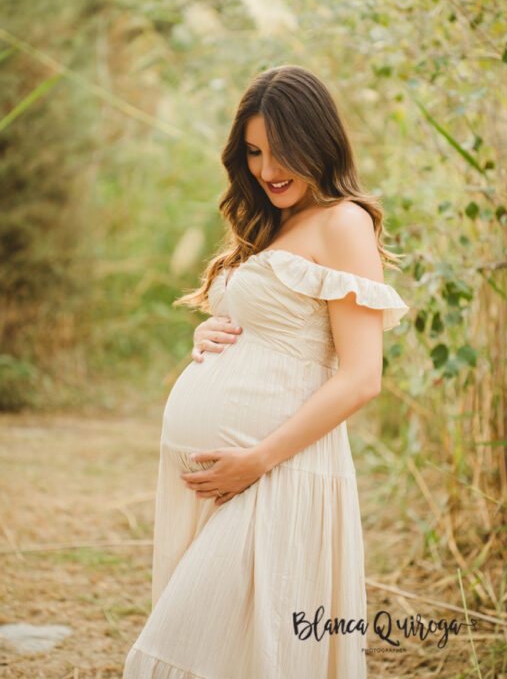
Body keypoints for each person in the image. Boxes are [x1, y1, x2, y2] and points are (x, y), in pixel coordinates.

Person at [122, 65, 409, 679]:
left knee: (191, 651)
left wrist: (257, 459)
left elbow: (362, 376)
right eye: (253, 152)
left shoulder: (343, 222)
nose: (267, 169)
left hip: (276, 472)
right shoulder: (271, 222)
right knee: (227, 653)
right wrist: (215, 332)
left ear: (319, 144)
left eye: (282, 153)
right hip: (228, 475)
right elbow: (280, 330)